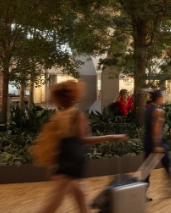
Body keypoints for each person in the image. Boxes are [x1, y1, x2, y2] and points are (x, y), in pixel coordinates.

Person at [37, 81, 128, 213]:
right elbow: (84, 139)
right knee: (57, 202)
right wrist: (112, 136)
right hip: (74, 162)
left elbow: (54, 144)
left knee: (79, 198)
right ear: (74, 97)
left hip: (66, 162)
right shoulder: (77, 115)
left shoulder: (57, 118)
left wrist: (52, 166)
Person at [143, 90, 171, 200]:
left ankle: (141, 193)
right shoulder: (158, 112)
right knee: (167, 163)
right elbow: (157, 129)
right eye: (163, 96)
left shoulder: (147, 109)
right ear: (159, 98)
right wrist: (157, 145)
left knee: (147, 169)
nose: (164, 98)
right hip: (157, 144)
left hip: (147, 142)